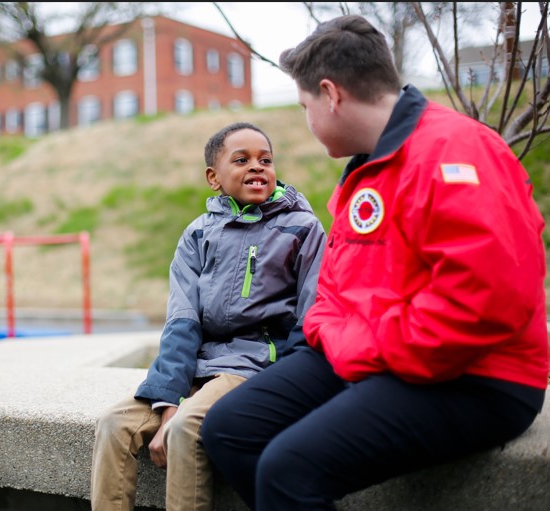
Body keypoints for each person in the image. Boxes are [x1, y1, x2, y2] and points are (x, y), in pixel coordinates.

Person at [200, 14, 549, 511]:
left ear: (331, 94)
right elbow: (336, 293)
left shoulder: (456, 153)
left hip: (478, 376)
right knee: (229, 430)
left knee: (289, 470)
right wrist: (338, 341)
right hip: (375, 353)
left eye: (305, 105)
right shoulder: (368, 166)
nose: (306, 118)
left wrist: (360, 349)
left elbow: (484, 306)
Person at [90, 121, 326, 511]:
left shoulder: (301, 227)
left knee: (186, 427)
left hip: (252, 362)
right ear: (213, 178)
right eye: (242, 159)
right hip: (202, 362)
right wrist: (168, 404)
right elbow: (182, 322)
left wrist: (290, 383)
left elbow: (313, 310)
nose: (257, 167)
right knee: (115, 423)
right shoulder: (198, 234)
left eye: (265, 160)